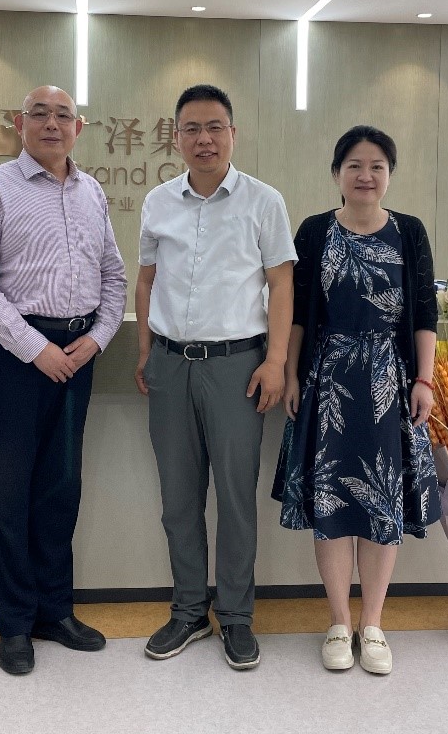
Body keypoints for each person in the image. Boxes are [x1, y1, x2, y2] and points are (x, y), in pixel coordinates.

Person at [0, 85, 127, 675]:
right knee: (9, 490)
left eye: (63, 115)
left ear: (78, 126)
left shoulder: (91, 191)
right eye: (39, 114)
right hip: (14, 355)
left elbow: (113, 276)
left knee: (61, 487)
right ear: (19, 123)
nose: (52, 124)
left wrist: (97, 338)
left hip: (78, 353)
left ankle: (55, 610)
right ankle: (14, 624)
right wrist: (36, 349)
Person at [135, 84, 295, 670]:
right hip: (170, 364)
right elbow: (147, 280)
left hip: (237, 367)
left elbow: (281, 284)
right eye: (191, 129)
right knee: (178, 497)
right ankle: (187, 611)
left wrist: (276, 361)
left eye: (214, 127)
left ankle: (236, 616)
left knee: (234, 497)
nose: (203, 139)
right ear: (176, 137)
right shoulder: (158, 202)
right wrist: (146, 350)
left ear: (232, 133)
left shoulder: (263, 201)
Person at [272, 125, 442, 675]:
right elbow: (298, 314)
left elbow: (424, 312)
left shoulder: (409, 232)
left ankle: (373, 624)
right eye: (354, 166)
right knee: (332, 504)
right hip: (328, 382)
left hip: (389, 383)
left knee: (381, 502)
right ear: (336, 173)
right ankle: (338, 623)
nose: (365, 176)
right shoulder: (315, 230)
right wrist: (292, 374)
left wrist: (424, 380)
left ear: (389, 175)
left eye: (377, 167)